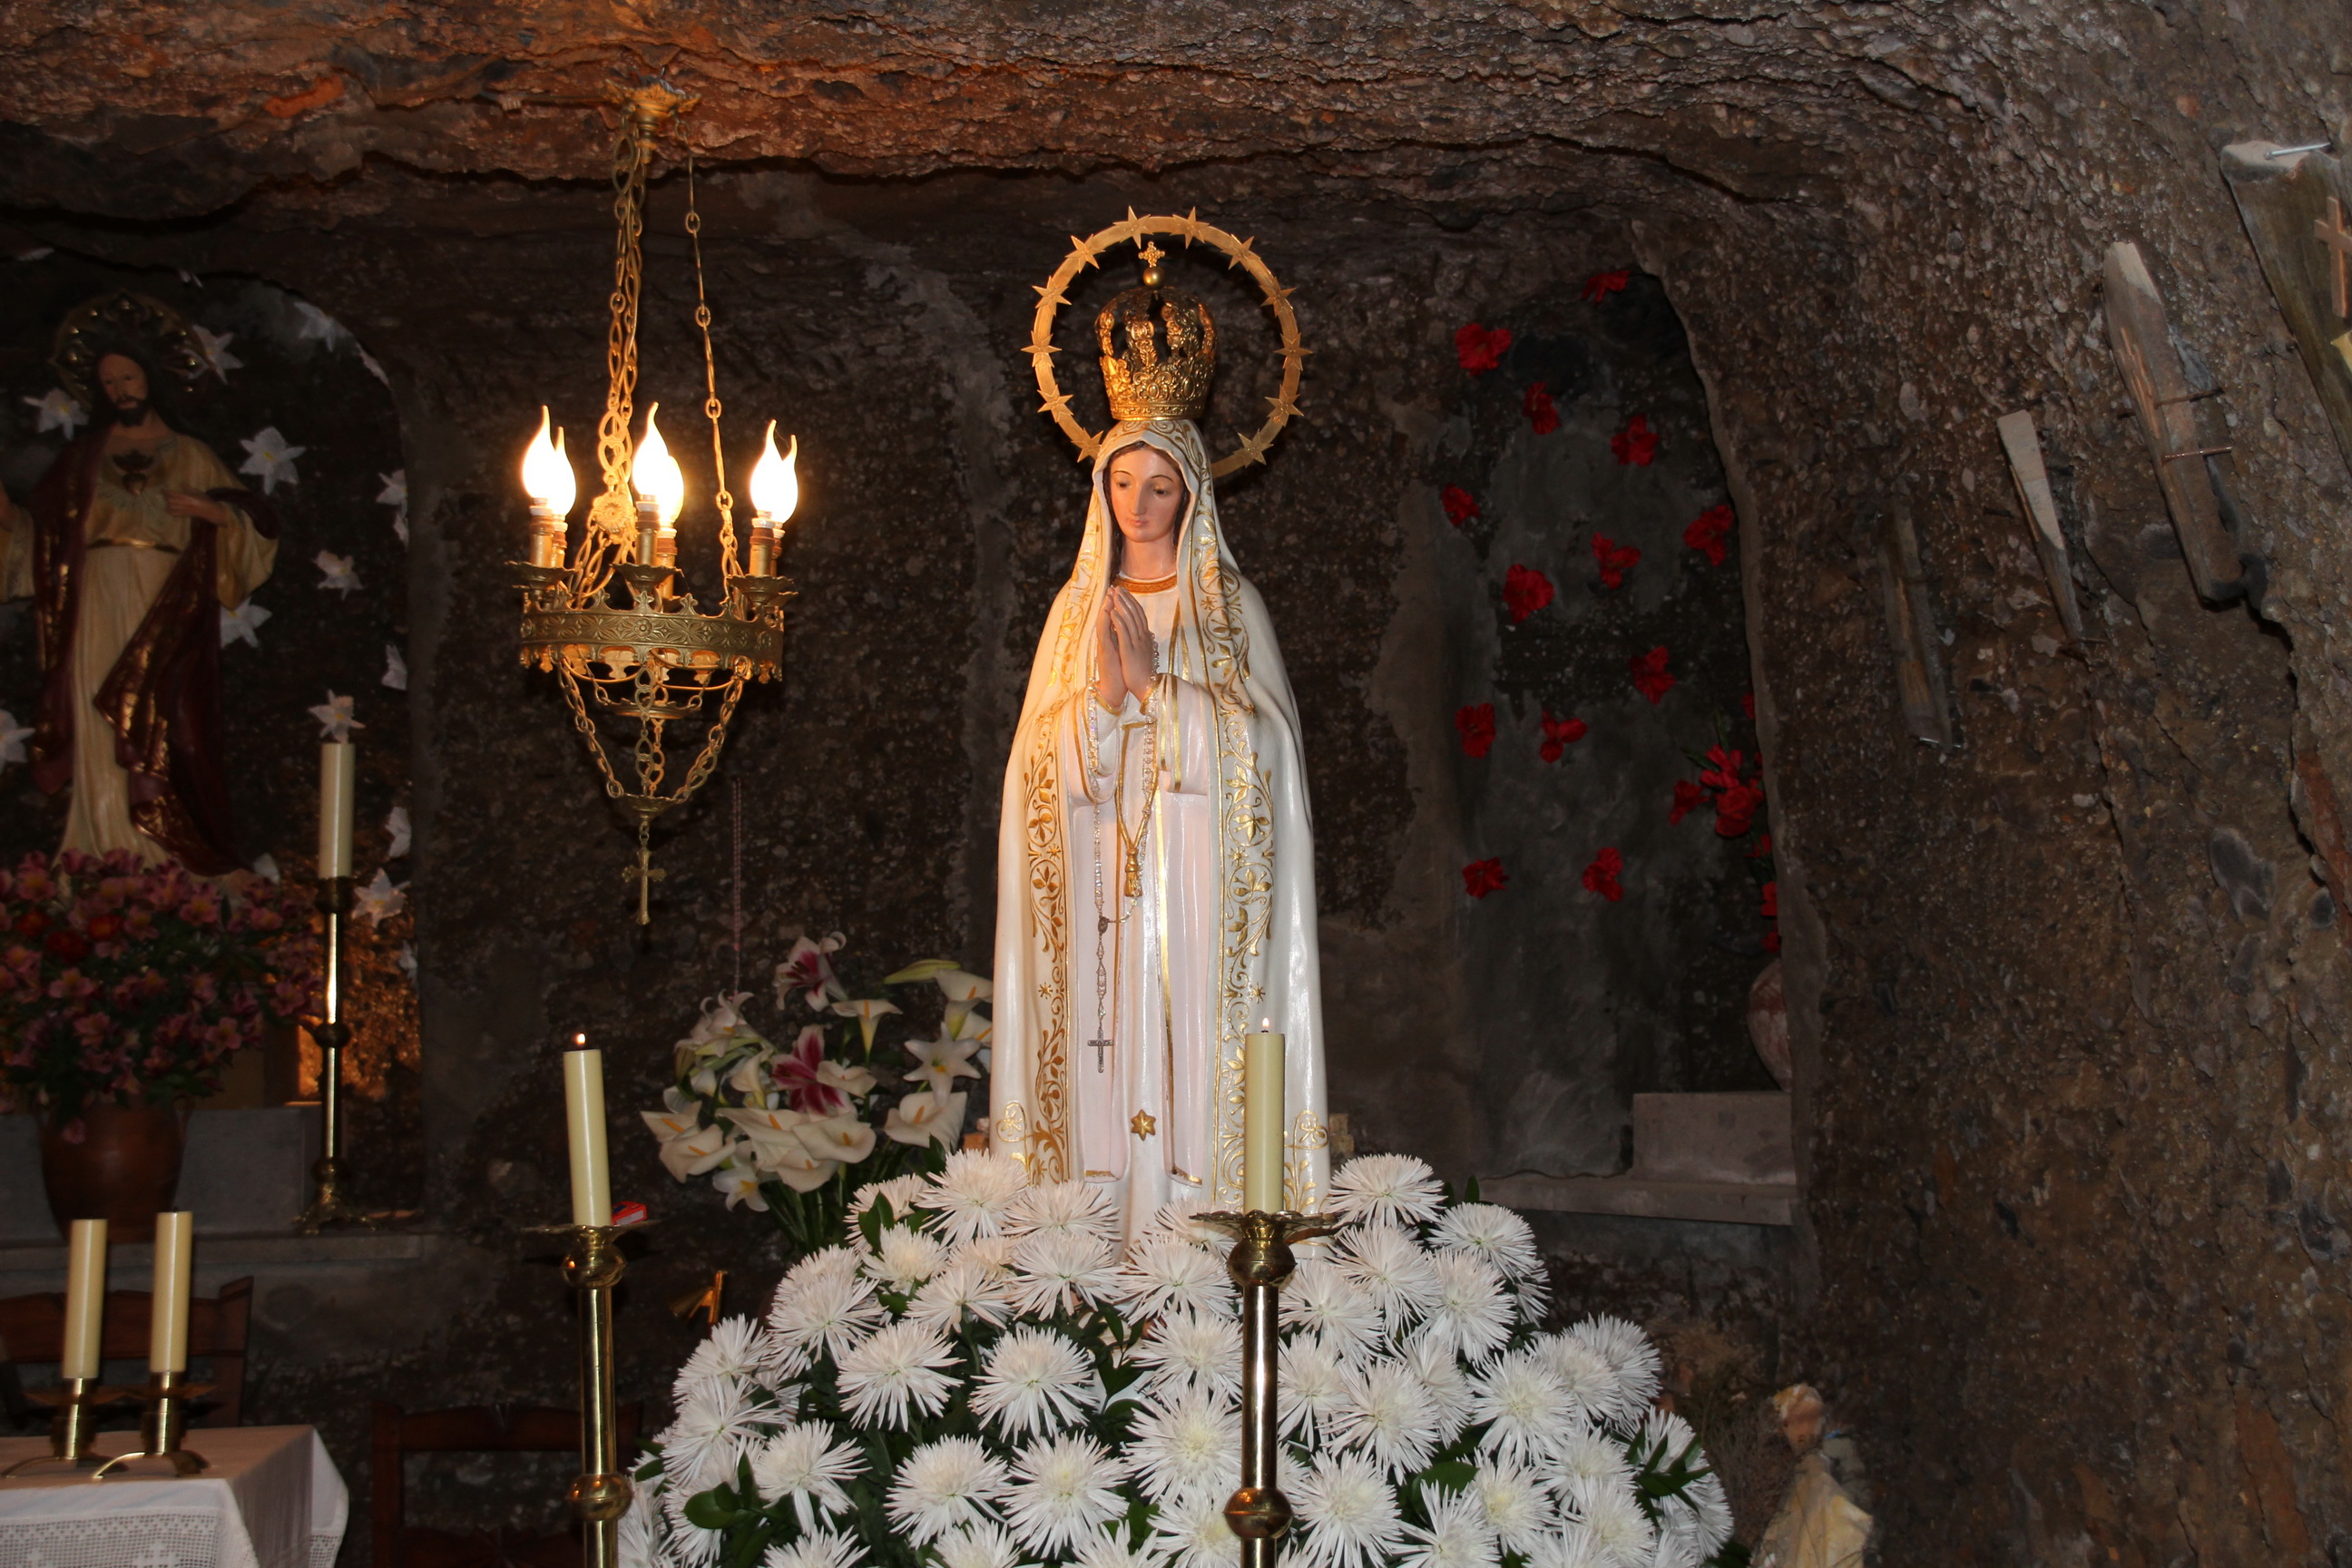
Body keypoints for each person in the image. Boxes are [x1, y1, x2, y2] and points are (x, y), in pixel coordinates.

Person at [991, 270, 1328, 1239]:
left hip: (1195, 898)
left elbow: (1271, 752)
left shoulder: (1229, 608)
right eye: (1122, 481)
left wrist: (1159, 694)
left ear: (1192, 494)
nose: (1139, 503)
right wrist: (1098, 707)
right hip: (1096, 891)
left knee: (1188, 1070)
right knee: (1099, 1061)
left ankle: (1203, 1235)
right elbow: (1033, 775)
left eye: (1161, 485)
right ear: (1101, 487)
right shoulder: (1074, 613)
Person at [0, 322, 277, 872]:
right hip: (95, 595)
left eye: (128, 377)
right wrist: (9, 516)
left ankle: (165, 857)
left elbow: (252, 524)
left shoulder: (192, 454)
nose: (120, 390)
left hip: (166, 596)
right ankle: (98, 851)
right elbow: (45, 537)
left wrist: (213, 512)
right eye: (109, 383)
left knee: (166, 719)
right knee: (96, 715)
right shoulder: (83, 458)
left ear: (151, 377)